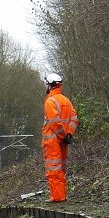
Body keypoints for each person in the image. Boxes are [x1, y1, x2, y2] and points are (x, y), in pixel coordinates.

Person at [42, 73, 79, 202]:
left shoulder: (50, 101)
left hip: (53, 140)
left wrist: (63, 135)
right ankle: (61, 195)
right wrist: (68, 134)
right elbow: (74, 119)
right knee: (61, 168)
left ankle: (57, 197)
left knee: (53, 169)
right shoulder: (66, 101)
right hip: (63, 140)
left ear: (49, 86)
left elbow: (54, 122)